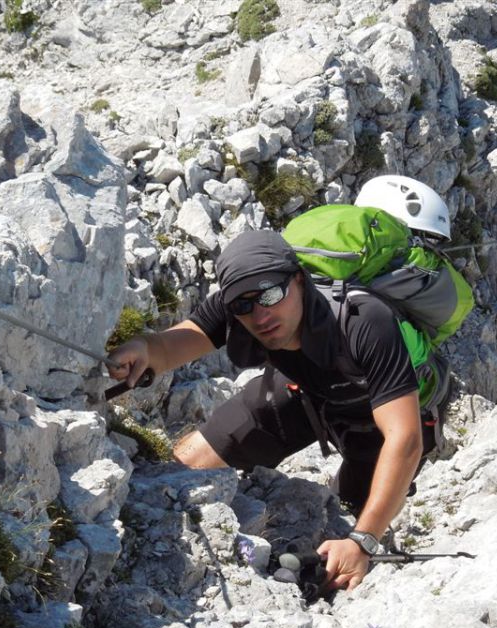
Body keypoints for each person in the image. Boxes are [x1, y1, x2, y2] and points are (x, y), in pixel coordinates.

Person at [108, 176, 454, 592]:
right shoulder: (241, 301)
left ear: (300, 281)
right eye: (244, 306)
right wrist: (144, 349)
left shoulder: (365, 321)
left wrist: (363, 540)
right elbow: (174, 344)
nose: (259, 314)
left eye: (271, 294)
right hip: (302, 394)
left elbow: (404, 438)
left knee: (351, 526)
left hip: (374, 421)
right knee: (175, 475)